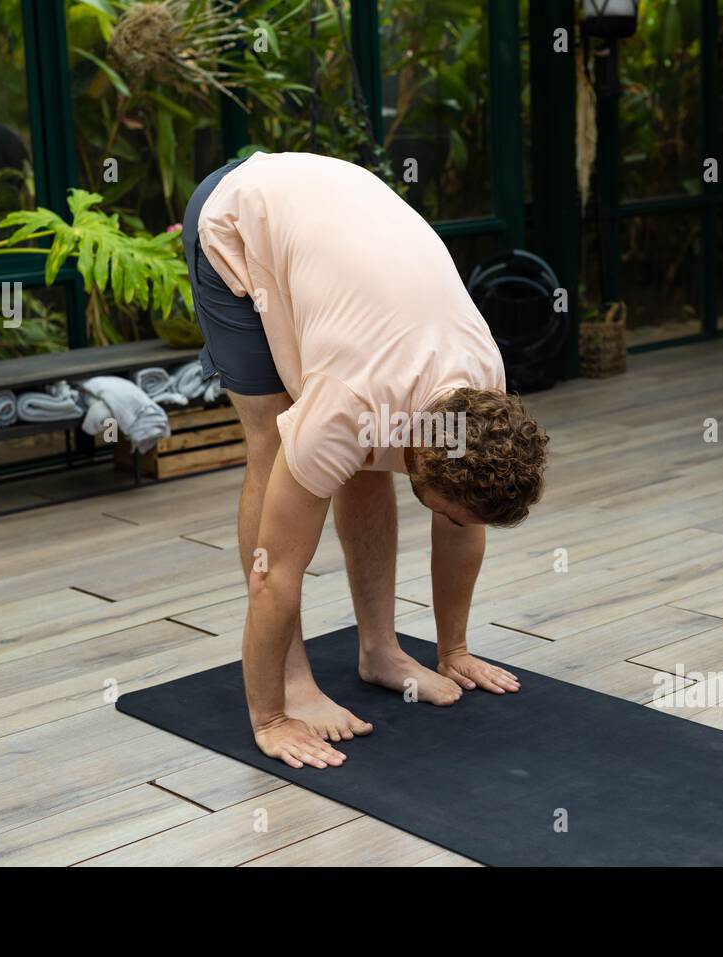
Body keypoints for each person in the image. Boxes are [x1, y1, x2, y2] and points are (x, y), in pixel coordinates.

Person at [182, 151, 549, 770]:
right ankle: (293, 680)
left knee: (363, 456)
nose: (457, 523)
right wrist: (272, 717)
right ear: (422, 461)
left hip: (339, 220)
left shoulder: (482, 386)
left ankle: (380, 651)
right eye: (450, 512)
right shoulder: (351, 405)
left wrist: (453, 649)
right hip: (243, 215)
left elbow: (461, 521)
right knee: (274, 446)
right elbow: (274, 574)